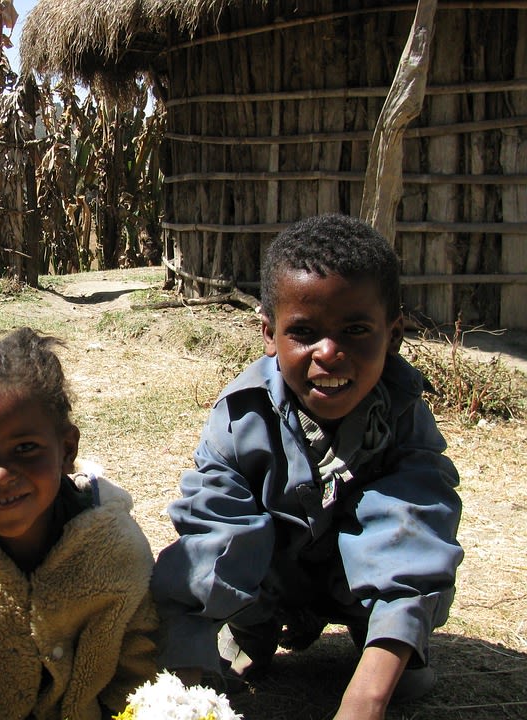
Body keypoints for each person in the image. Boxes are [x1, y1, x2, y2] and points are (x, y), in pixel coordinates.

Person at [151, 214, 464, 720]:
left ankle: (381, 650)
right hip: (268, 584)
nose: (330, 353)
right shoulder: (238, 420)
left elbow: (412, 536)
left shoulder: (404, 417)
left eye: (357, 330)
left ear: (395, 334)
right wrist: (176, 696)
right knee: (228, 635)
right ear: (270, 333)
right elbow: (213, 545)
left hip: (360, 587)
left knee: (402, 683)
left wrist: (365, 701)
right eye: (304, 333)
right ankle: (254, 633)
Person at [0, 327, 159, 720]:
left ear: (66, 450)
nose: (1, 475)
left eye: (25, 449)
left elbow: (137, 666)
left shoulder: (117, 550)